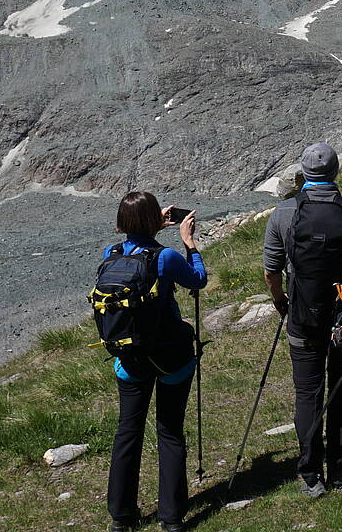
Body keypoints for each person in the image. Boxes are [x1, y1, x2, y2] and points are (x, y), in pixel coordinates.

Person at [262, 143, 342, 497]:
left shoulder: (282, 213)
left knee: (307, 393)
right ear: (336, 172)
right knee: (341, 386)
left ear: (303, 173)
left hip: (301, 315)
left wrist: (281, 301)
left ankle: (310, 473)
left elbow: (271, 270)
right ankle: (339, 464)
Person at [104, 191, 208, 532]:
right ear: (154, 221)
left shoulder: (111, 254)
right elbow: (198, 280)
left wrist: (148, 228)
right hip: (168, 357)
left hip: (129, 357)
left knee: (128, 431)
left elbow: (138, 253)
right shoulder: (165, 257)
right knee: (169, 430)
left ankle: (122, 516)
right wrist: (189, 243)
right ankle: (172, 518)